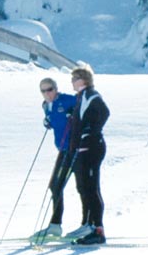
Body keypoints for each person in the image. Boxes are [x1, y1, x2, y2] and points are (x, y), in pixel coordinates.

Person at [67, 65, 110, 245]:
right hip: (84, 148)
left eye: (75, 78)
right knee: (84, 187)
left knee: (91, 188)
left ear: (83, 79)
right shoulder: (82, 97)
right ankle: (90, 225)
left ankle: (98, 230)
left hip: (92, 147)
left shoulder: (91, 95)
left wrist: (89, 132)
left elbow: (104, 112)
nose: (72, 82)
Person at [36, 77, 78, 243]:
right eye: (44, 91)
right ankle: (55, 225)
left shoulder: (68, 100)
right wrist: (48, 122)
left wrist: (74, 113)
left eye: (50, 89)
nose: (47, 93)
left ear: (56, 88)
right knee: (55, 186)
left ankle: (91, 225)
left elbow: (86, 110)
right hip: (63, 150)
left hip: (74, 149)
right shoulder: (46, 105)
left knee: (82, 187)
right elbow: (54, 122)